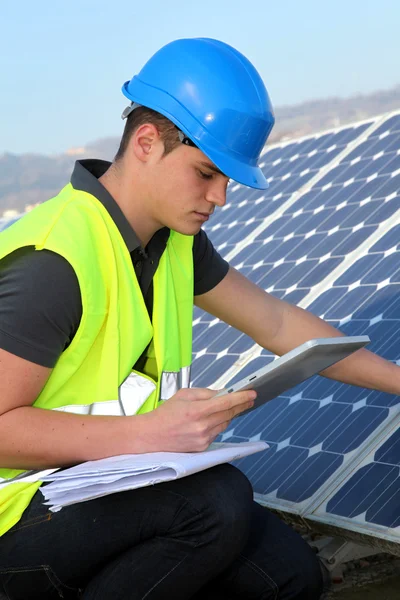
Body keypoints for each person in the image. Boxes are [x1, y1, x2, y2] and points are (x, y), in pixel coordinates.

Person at [0, 37, 398, 600]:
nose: (221, 197)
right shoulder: (54, 262)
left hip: (100, 485)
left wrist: (398, 380)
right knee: (214, 506)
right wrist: (147, 433)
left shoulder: (175, 244)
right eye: (206, 173)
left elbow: (279, 325)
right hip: (15, 516)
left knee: (290, 574)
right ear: (146, 143)